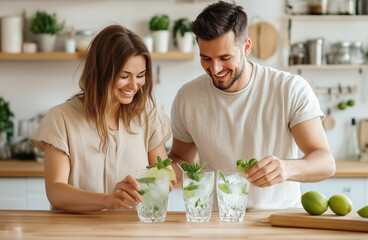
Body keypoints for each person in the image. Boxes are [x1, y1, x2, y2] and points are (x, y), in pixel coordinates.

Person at [169, 1, 335, 210]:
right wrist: (156, 175)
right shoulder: (188, 97)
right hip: (216, 221)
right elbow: (181, 158)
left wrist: (286, 168)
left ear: (246, 47)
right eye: (206, 58)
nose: (215, 68)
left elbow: (325, 162)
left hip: (277, 219)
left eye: (225, 57)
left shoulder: (290, 89)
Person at [30, 24, 175, 212]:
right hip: (77, 231)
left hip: (131, 230)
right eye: (124, 76)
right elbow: (56, 191)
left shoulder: (147, 116)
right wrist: (107, 200)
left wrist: (165, 180)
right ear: (100, 73)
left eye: (140, 75)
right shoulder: (61, 119)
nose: (134, 85)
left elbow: (163, 172)